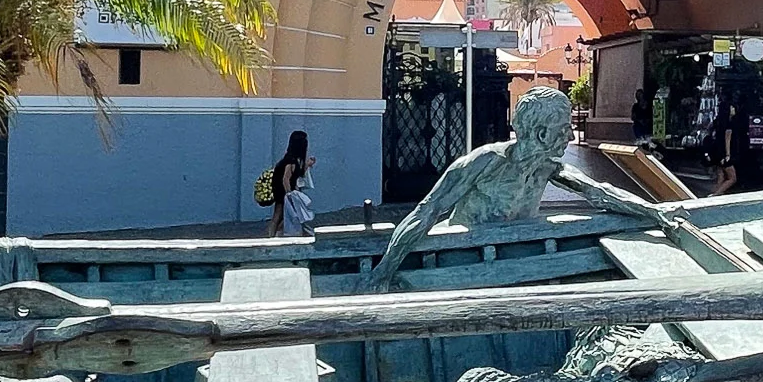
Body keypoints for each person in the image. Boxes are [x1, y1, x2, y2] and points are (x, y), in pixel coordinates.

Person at [368, 87, 672, 287]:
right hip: (460, 260)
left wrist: (655, 213)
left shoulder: (547, 167)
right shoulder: (487, 161)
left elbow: (601, 192)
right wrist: (383, 272)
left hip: (511, 261)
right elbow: (427, 211)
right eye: (565, 129)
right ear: (541, 134)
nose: (570, 136)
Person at [268, 130, 317, 236]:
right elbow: (286, 179)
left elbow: (297, 174)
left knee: (282, 214)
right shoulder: (291, 161)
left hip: (283, 189)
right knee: (280, 214)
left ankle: (274, 235)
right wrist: (289, 194)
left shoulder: (292, 159)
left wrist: (308, 164)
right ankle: (273, 236)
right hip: (283, 190)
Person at [705, 93, 738, 195]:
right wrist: (727, 155)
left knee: (721, 175)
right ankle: (716, 195)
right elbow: (727, 140)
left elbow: (710, 132)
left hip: (716, 152)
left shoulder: (717, 122)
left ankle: (714, 193)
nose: (734, 109)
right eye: (732, 107)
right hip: (723, 153)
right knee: (732, 178)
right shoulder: (729, 124)